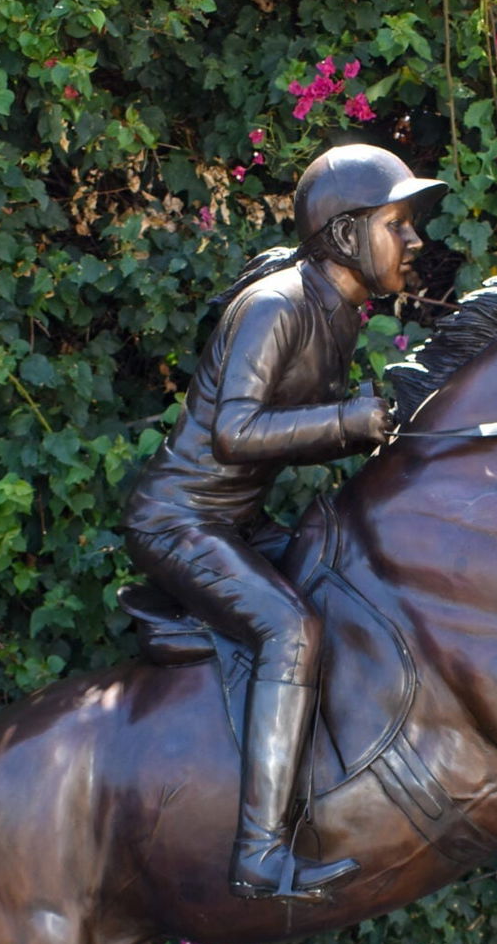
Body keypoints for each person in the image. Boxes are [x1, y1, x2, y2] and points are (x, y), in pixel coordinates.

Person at [122, 143, 448, 901]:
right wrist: (346, 421)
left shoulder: (335, 312)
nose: (414, 241)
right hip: (180, 521)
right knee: (290, 628)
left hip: (232, 520)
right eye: (398, 223)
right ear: (344, 236)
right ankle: (260, 854)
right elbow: (236, 432)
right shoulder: (276, 307)